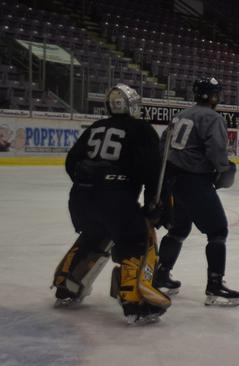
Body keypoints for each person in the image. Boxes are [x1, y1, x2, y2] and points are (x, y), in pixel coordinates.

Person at [52, 83, 171, 325]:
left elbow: (72, 161)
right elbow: (152, 171)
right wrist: (154, 205)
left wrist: (89, 185)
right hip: (116, 198)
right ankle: (135, 300)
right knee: (136, 240)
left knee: (95, 235)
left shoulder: (96, 126)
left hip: (81, 198)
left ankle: (67, 284)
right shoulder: (141, 129)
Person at [154, 77, 239, 307]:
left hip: (172, 181)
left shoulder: (180, 116)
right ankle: (215, 286)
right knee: (218, 230)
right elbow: (216, 150)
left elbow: (162, 147)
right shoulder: (212, 117)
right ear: (213, 96)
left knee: (178, 228)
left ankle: (160, 276)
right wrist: (224, 168)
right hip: (194, 180)